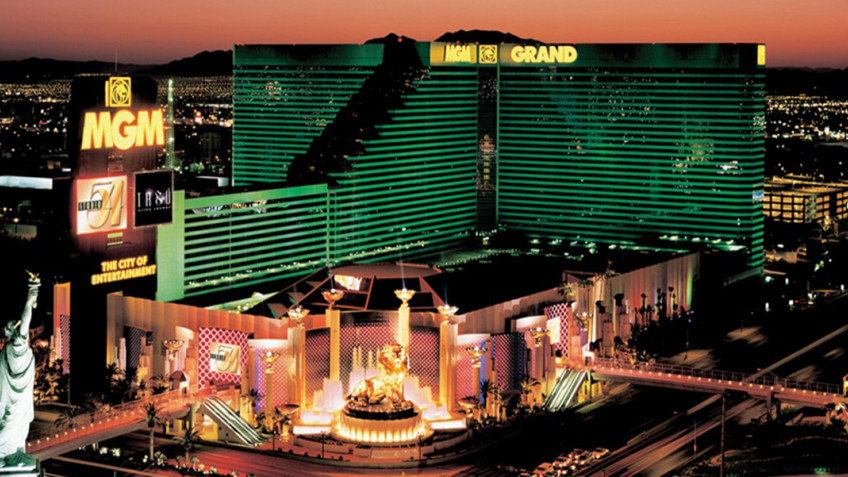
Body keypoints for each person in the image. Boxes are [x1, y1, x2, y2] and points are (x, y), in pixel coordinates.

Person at [0, 274, 39, 466]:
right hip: (14, 399)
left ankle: (12, 453)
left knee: (18, 426)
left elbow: (24, 323)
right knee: (12, 423)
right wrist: (30, 299)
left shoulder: (11, 348)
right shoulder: (16, 348)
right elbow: (25, 322)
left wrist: (31, 298)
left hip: (14, 398)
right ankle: (5, 453)